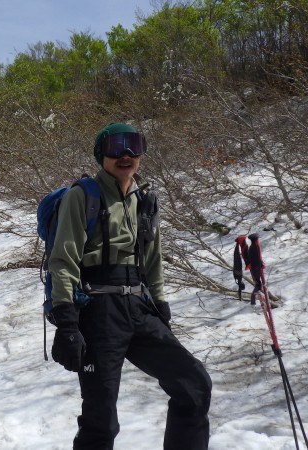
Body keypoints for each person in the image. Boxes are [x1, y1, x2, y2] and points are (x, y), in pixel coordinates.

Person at [47, 122, 212, 450]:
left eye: (133, 145)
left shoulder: (145, 199)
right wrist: (66, 322)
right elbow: (63, 260)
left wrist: (160, 303)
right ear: (101, 154)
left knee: (194, 384)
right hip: (99, 313)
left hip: (139, 307)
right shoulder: (82, 197)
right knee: (101, 420)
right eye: (115, 146)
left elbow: (152, 258)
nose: (125, 154)